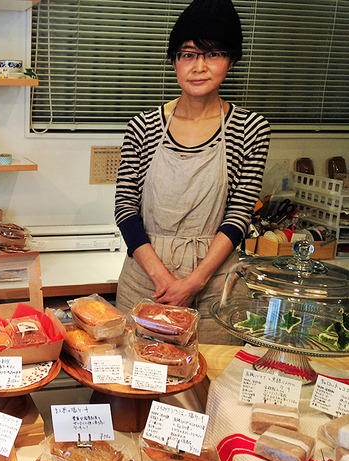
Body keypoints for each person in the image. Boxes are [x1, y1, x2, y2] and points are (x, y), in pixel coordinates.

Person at [114, 0, 271, 344]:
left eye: (212, 54)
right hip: (146, 279)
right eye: (187, 54)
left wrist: (195, 282)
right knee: (134, 378)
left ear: (230, 61)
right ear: (174, 62)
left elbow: (239, 214)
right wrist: (164, 280)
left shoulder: (251, 128)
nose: (199, 66)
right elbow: (125, 209)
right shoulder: (143, 126)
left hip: (215, 284)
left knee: (207, 385)